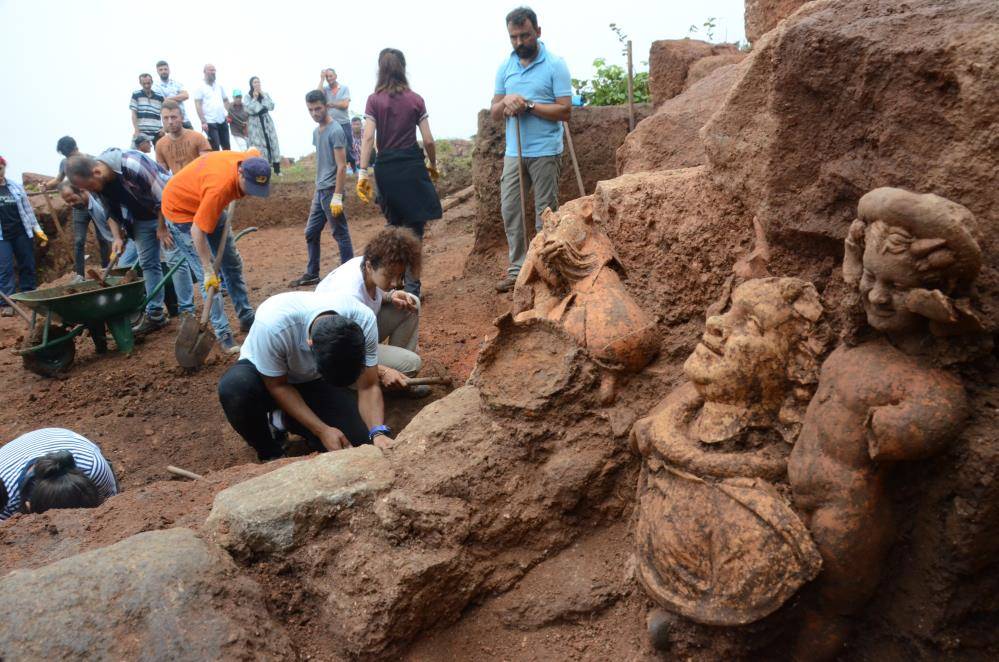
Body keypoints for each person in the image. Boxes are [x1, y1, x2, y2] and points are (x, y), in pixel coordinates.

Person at [217, 290, 390, 461]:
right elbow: (278, 385)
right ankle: (270, 452)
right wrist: (322, 430)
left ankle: (283, 419)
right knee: (235, 389)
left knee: (357, 439)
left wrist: (378, 432)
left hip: (311, 380)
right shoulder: (274, 324)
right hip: (265, 377)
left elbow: (368, 385)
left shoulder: (363, 319)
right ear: (310, 344)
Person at [489, 6, 571, 293]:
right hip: (515, 152)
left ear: (538, 31)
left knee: (544, 213)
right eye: (513, 37)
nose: (519, 42)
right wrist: (507, 102)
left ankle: (546, 269)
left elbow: (565, 111)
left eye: (524, 35)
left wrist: (531, 106)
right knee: (511, 209)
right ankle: (517, 270)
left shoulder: (555, 64)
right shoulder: (505, 67)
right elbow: (494, 111)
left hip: (546, 150)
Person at [356, 48, 442, 299]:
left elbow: (369, 136)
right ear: (403, 69)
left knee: (393, 227)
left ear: (380, 70)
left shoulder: (374, 100)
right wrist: (433, 165)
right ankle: (413, 289)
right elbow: (428, 140)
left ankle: (388, 283)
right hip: (412, 166)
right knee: (415, 229)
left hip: (387, 168)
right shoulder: (416, 100)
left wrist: (362, 172)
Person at [160, 149, 268, 344]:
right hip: (181, 211)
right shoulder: (220, 188)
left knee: (231, 263)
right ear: (241, 173)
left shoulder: (251, 160)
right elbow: (196, 230)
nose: (251, 193)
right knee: (209, 280)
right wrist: (208, 268)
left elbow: (255, 150)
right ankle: (223, 334)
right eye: (249, 186)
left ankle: (246, 316)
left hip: (205, 200)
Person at [65, 149, 170, 334]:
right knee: (148, 264)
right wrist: (117, 237)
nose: (91, 192)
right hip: (140, 220)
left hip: (168, 210)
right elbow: (110, 212)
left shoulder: (132, 164)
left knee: (176, 257)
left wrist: (162, 228)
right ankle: (155, 315)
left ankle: (187, 310)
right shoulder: (98, 183)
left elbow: (163, 196)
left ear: (96, 172)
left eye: (90, 186)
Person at [316, 227, 429, 397]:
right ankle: (370, 386)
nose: (395, 283)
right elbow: (341, 351)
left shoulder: (366, 265)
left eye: (400, 276)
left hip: (358, 333)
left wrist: (390, 296)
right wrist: (382, 371)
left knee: (411, 304)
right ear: (369, 266)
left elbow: (370, 295)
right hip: (339, 356)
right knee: (412, 363)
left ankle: (398, 380)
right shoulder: (348, 295)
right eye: (390, 276)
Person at [288, 90, 351, 288]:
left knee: (340, 233)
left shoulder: (336, 130)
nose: (314, 113)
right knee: (311, 232)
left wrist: (338, 196)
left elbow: (342, 166)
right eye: (311, 110)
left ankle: (350, 275)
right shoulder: (317, 132)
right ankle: (312, 273)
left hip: (332, 190)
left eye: (318, 108)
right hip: (320, 190)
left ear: (326, 106)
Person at [0, 428, 117, 520]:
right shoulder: (6, 500)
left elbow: (110, 507)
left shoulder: (93, 467)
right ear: (28, 505)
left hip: (67, 442)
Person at [0, 155, 46, 317]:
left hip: (21, 231)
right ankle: (7, 302)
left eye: (1, 168)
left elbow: (27, 211)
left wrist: (37, 229)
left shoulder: (15, 187)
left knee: (27, 263)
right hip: (2, 237)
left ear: (4, 168)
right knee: (5, 269)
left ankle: (29, 295)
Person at [58, 181, 112, 281]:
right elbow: (57, 181)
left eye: (73, 199)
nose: (71, 204)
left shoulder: (97, 202)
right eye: (68, 202)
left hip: (91, 203)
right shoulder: (75, 206)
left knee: (102, 237)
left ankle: (106, 268)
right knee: (79, 240)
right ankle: (80, 275)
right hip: (80, 211)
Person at [156, 100, 213, 174]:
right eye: (166, 118)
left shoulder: (197, 137)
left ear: (182, 118)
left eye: (173, 117)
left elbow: (208, 164)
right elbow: (163, 173)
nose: (170, 122)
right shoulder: (160, 145)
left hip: (199, 181)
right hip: (178, 184)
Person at [319, 68, 358, 172]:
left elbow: (345, 105)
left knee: (349, 146)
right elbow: (317, 95)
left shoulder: (344, 88)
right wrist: (322, 79)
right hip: (331, 123)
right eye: (327, 77)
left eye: (330, 76)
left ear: (336, 76)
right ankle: (337, 169)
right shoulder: (325, 89)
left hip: (344, 122)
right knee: (332, 147)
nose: (329, 78)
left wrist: (332, 104)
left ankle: (354, 168)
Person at [245, 76, 282, 174]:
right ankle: (263, 168)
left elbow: (271, 106)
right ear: (251, 84)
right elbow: (250, 109)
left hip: (266, 121)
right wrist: (255, 98)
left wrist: (262, 96)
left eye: (258, 82)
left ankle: (277, 169)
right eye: (255, 82)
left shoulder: (265, 94)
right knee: (259, 145)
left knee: (272, 142)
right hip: (255, 123)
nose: (257, 84)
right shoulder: (247, 97)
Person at [194, 64, 230, 150]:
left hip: (222, 120)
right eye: (211, 70)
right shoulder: (200, 87)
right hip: (210, 122)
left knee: (227, 147)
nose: (213, 72)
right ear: (204, 71)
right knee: (215, 148)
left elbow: (225, 100)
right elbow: (198, 104)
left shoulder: (219, 86)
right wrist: (203, 121)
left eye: (214, 70)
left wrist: (229, 113)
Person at [152, 60, 192, 129]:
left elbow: (186, 95)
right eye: (161, 70)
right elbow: (163, 102)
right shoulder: (155, 87)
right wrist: (178, 97)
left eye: (165, 69)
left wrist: (168, 98)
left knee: (193, 139)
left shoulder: (176, 83)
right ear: (157, 72)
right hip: (170, 122)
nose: (163, 71)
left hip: (184, 120)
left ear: (169, 70)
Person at [130, 73, 164, 144]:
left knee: (163, 153)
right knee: (135, 153)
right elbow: (133, 114)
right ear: (140, 83)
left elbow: (164, 113)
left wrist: (164, 129)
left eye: (148, 83)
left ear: (152, 82)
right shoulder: (136, 95)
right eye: (144, 83)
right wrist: (136, 130)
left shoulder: (159, 97)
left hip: (157, 131)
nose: (146, 85)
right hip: (141, 131)